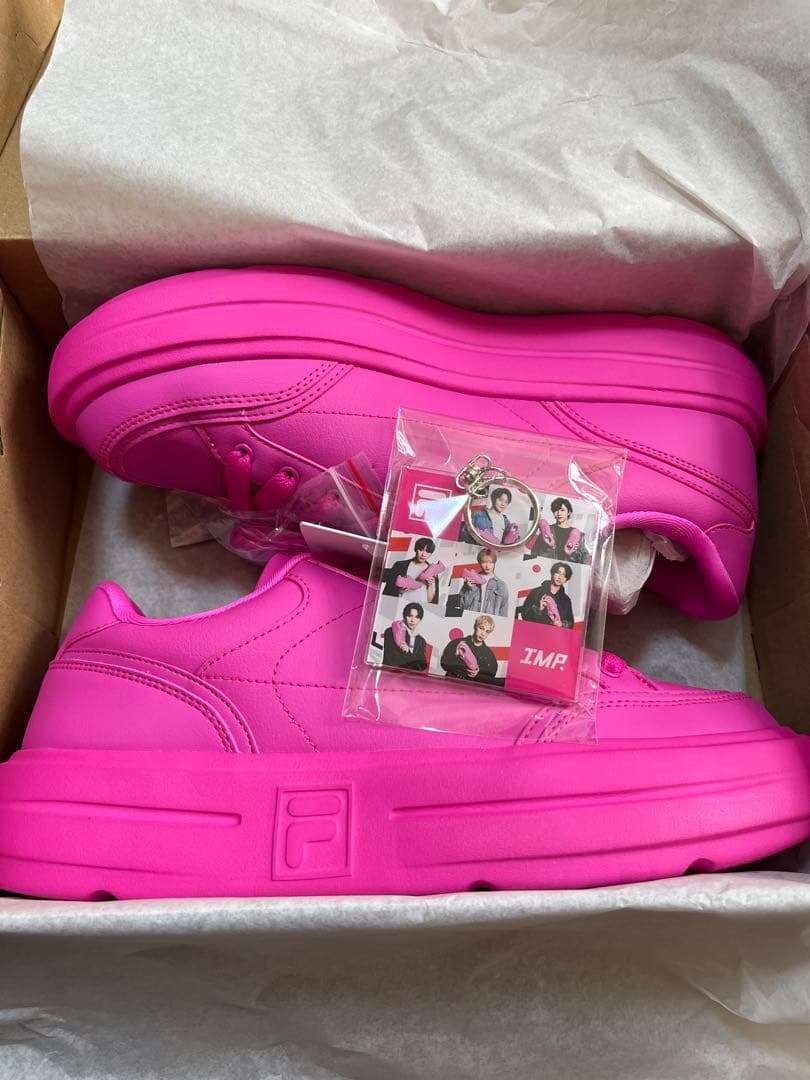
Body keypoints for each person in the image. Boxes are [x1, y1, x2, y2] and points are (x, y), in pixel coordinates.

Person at [525, 497, 591, 564]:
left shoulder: (580, 536)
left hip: (567, 567)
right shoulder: (546, 530)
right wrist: (544, 546)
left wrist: (575, 552)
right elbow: (534, 552)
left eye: (562, 510)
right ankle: (550, 542)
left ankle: (570, 548)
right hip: (546, 565)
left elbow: (585, 560)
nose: (559, 513)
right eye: (556, 510)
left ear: (569, 512)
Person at [440, 615, 499, 684]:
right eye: (481, 628)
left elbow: (491, 675)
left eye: (487, 631)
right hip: (450, 685)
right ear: (475, 626)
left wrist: (478, 674)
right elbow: (443, 663)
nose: (483, 634)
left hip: (471, 688)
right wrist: (456, 654)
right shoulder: (456, 643)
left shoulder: (489, 655)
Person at [382, 537, 441, 604]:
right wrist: (400, 590)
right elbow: (388, 590)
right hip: (400, 604)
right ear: (415, 549)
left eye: (427, 552)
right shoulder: (400, 565)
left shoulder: (432, 571)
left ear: (431, 554)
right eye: (421, 550)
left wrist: (430, 585)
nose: (423, 554)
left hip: (420, 607)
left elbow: (431, 601)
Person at [520, 562, 575, 629]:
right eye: (558, 573)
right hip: (535, 631)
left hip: (554, 633)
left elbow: (570, 623)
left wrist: (561, 624)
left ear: (566, 579)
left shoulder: (566, 600)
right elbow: (524, 615)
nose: (560, 577)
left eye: (564, 575)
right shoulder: (536, 592)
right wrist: (539, 609)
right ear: (552, 573)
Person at [458, 548, 510, 617]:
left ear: (494, 563)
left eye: (490, 562)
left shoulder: (501, 585)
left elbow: (503, 612)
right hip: (470, 618)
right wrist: (470, 589)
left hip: (489, 621)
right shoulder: (471, 580)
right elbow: (462, 606)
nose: (487, 566)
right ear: (480, 563)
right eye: (484, 562)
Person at [381, 603, 428, 671]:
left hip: (410, 676)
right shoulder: (391, 632)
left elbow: (422, 666)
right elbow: (392, 661)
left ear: (420, 619)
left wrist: (407, 652)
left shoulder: (421, 641)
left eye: (416, 617)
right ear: (404, 616)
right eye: (410, 616)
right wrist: (414, 662)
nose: (412, 620)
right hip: (390, 674)